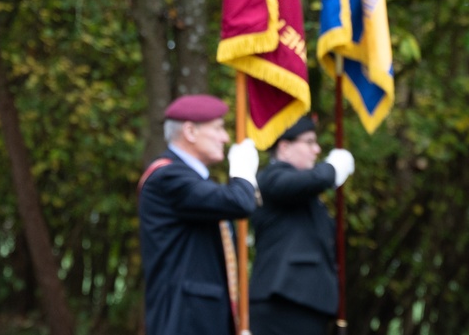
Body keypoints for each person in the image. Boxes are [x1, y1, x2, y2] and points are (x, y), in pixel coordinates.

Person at [137, 94, 260, 335]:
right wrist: (243, 172)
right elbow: (239, 203)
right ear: (190, 132)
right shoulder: (168, 176)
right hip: (184, 321)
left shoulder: (191, 180)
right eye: (218, 128)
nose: (225, 138)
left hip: (203, 320)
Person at [248, 114, 356, 335]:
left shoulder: (306, 195)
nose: (316, 150)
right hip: (282, 300)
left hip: (304, 301)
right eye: (309, 142)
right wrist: (333, 169)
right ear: (285, 147)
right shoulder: (272, 178)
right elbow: (309, 182)